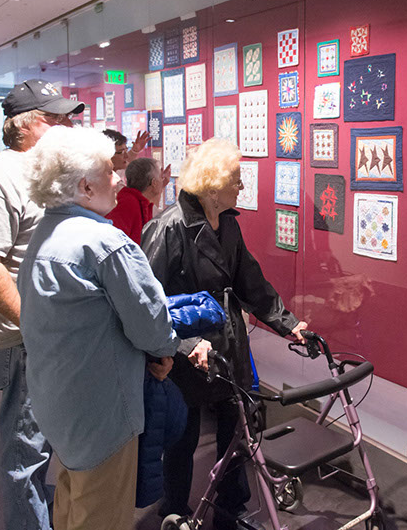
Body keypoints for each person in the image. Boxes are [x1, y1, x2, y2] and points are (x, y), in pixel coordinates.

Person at [19, 126, 181, 530]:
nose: (119, 179)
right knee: (101, 514)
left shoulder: (43, 235)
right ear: (85, 186)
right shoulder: (106, 244)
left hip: (59, 403)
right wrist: (165, 350)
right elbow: (151, 327)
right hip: (103, 411)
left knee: (71, 501)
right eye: (110, 170)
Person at [141, 138, 309, 528]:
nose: (242, 186)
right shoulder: (168, 228)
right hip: (186, 352)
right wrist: (183, 344)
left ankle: (232, 506)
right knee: (182, 439)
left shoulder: (228, 223)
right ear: (214, 186)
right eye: (236, 179)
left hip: (228, 345)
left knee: (237, 429)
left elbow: (250, 280)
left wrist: (288, 323)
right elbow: (147, 303)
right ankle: (175, 510)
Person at [0, 79, 84, 530]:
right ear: (29, 124)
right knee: (26, 456)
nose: (69, 125)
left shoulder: (49, 174)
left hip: (61, 337)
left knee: (59, 448)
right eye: (57, 118)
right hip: (27, 342)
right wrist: (34, 327)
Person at [108, 157, 163, 243]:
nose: (162, 181)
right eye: (161, 177)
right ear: (154, 183)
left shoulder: (143, 203)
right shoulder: (127, 204)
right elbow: (112, 239)